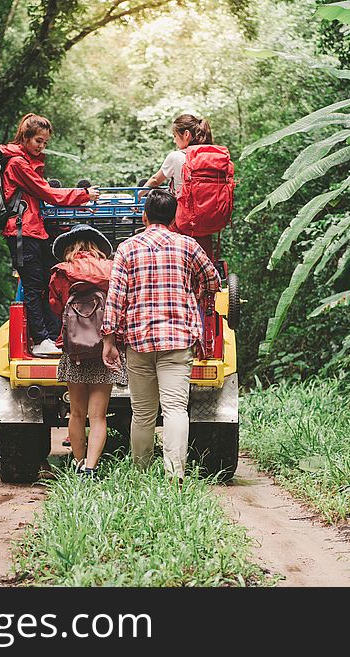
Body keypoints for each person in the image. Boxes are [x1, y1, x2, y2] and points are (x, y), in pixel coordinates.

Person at [101, 189, 221, 483]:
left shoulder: (127, 248)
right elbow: (214, 280)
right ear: (175, 217)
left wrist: (108, 340)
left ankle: (140, 475)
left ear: (144, 216)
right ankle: (175, 475)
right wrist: (196, 289)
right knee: (175, 409)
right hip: (179, 340)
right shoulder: (188, 246)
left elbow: (116, 297)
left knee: (141, 413)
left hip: (139, 341)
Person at [1, 113, 101, 357]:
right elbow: (48, 193)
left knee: (47, 280)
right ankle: (40, 339)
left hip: (33, 230)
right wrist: (83, 195)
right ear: (25, 137)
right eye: (38, 141)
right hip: (22, 232)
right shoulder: (17, 164)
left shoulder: (25, 161)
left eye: (45, 142)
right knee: (33, 287)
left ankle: (52, 334)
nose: (42, 146)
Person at [49, 224, 128, 478]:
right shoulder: (110, 269)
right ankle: (91, 469)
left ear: (70, 247)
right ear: (96, 247)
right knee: (98, 416)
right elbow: (119, 305)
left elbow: (55, 306)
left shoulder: (62, 272)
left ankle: (79, 462)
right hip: (104, 348)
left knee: (76, 412)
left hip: (74, 351)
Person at [140, 114, 215, 260]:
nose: (174, 140)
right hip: (208, 220)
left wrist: (138, 195)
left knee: (175, 257)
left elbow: (155, 180)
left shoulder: (177, 156)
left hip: (183, 221)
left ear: (186, 134)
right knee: (205, 259)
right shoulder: (212, 157)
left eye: (175, 136)